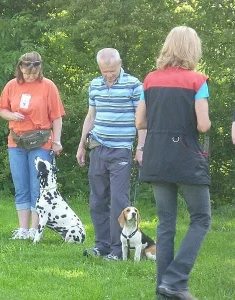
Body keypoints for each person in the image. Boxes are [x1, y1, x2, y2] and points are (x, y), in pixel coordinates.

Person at [135, 26, 211, 300]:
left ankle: (162, 289)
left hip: (156, 156)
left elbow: (140, 122)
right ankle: (176, 280)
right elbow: (203, 126)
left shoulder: (150, 80)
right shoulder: (197, 81)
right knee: (201, 219)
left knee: (166, 224)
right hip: (186, 156)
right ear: (193, 49)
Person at [76, 48, 146, 261]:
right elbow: (90, 116)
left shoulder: (134, 85)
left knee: (118, 201)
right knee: (97, 200)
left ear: (120, 63)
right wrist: (81, 146)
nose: (109, 75)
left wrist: (140, 148)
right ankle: (102, 245)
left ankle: (118, 249)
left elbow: (142, 121)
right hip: (97, 147)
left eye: (112, 70)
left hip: (121, 150)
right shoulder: (95, 85)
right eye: (105, 71)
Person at [0, 51, 65, 240]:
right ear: (20, 68)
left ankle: (35, 229)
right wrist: (11, 116)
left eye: (34, 73)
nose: (31, 76)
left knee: (37, 186)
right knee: (21, 186)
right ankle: (23, 229)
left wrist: (57, 142)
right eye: (27, 73)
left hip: (41, 142)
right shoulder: (11, 85)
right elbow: (1, 109)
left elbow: (57, 117)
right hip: (16, 142)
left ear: (40, 69)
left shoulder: (48, 86)